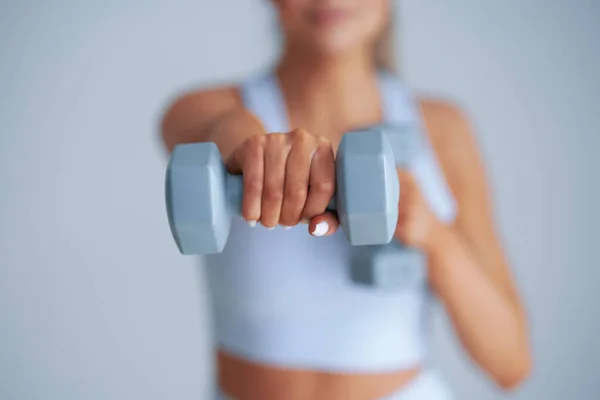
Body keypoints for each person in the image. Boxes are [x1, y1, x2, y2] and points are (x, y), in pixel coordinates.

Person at [160, 1, 532, 399]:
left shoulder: (444, 129)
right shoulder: (203, 109)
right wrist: (255, 152)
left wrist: (432, 234)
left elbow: (510, 364)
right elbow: (219, 130)